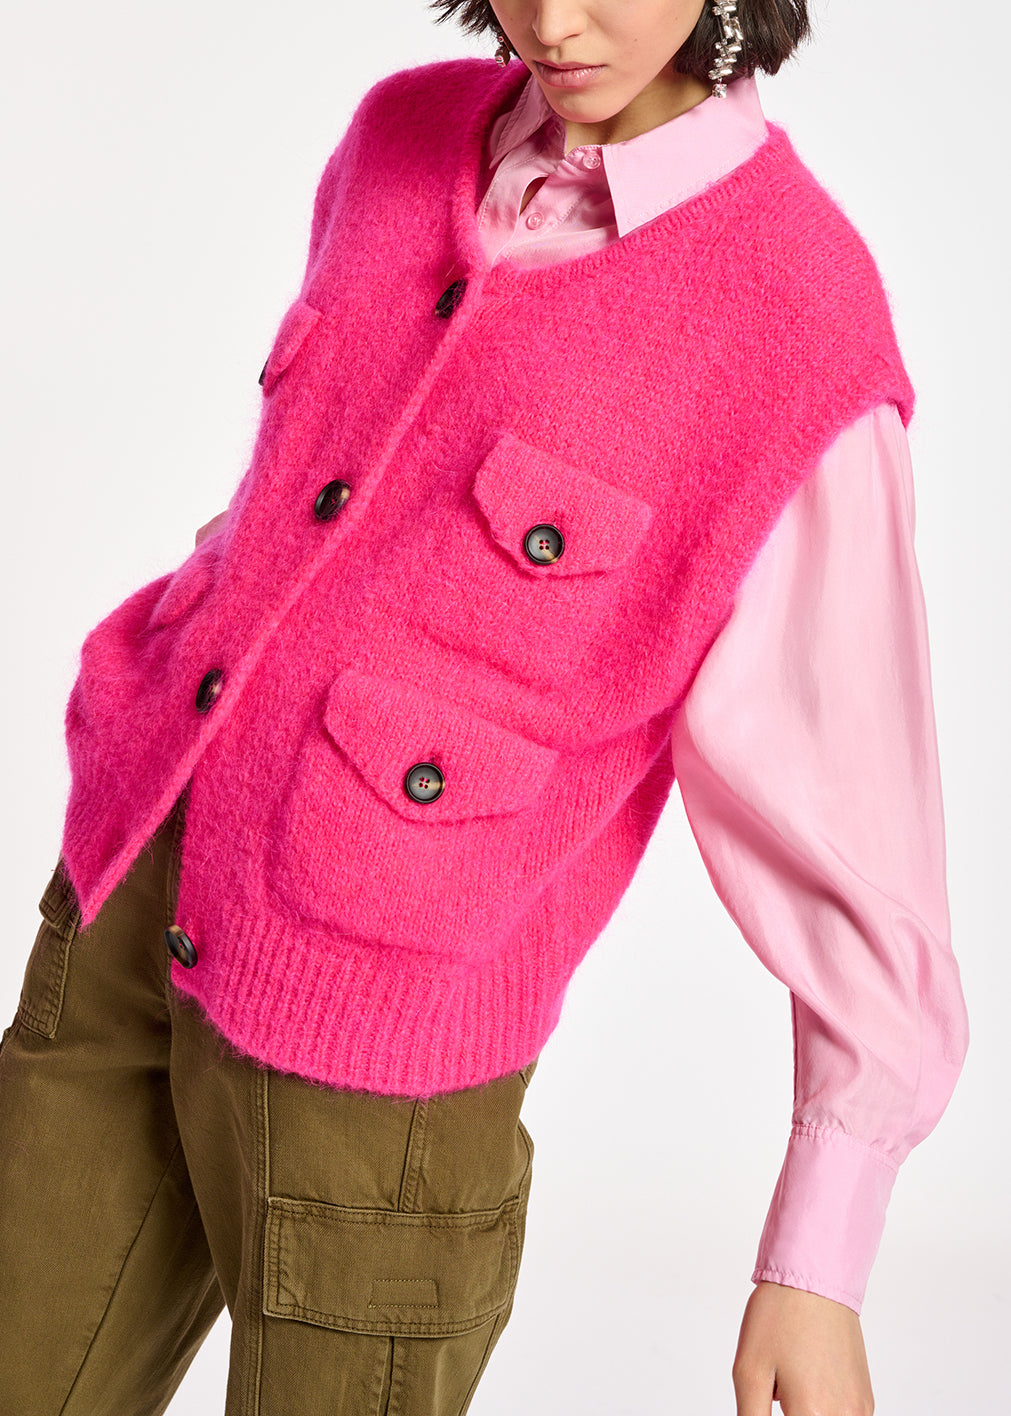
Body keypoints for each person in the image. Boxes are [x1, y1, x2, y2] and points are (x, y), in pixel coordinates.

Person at [0, 0, 970, 1412]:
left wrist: (818, 1262)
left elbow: (849, 821)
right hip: (126, 913)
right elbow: (310, 508)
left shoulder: (797, 315)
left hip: (378, 1081)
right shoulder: (398, 136)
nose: (553, 20)